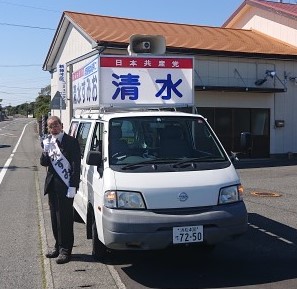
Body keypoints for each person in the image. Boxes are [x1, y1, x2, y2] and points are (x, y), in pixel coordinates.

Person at [40, 116, 81, 264]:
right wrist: (45, 152)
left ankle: (66, 250)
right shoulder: (48, 142)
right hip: (52, 186)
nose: (54, 128)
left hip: (66, 186)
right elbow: (44, 163)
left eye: (56, 125)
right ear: (48, 129)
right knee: (54, 219)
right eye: (51, 126)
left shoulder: (71, 141)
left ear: (61, 125)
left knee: (64, 219)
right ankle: (58, 246)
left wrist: (73, 185)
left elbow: (76, 165)